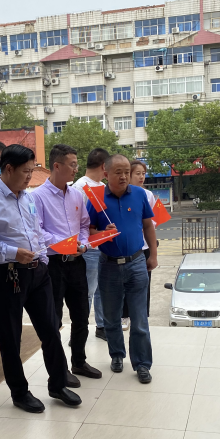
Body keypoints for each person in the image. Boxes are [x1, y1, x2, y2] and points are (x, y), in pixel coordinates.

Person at [0, 144, 81, 413]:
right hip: (8, 274)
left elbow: (36, 232)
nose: (30, 177)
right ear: (8, 169)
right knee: (11, 337)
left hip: (38, 272)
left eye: (32, 171)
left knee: (51, 330)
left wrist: (43, 259)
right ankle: (19, 392)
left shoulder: (27, 197)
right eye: (26, 171)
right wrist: (13, 253)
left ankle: (57, 384)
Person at [32, 144, 102, 386]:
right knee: (54, 320)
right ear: (57, 166)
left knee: (81, 315)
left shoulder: (76, 195)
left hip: (77, 262)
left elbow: (83, 225)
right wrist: (63, 243)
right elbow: (37, 231)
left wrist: (81, 243)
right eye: (72, 165)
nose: (76, 169)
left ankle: (79, 361)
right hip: (53, 264)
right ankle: (60, 370)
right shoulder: (37, 197)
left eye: (76, 164)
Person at [87, 154, 158, 384]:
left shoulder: (139, 194)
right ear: (106, 173)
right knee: (111, 317)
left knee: (139, 319)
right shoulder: (96, 198)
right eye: (118, 172)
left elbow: (148, 225)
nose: (124, 176)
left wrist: (153, 255)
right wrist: (102, 233)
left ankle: (142, 364)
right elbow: (88, 232)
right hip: (108, 265)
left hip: (137, 263)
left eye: (127, 171)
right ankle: (117, 354)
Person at [72, 147, 109, 340]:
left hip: (102, 246)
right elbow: (77, 222)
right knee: (86, 291)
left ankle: (101, 326)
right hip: (88, 249)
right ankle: (79, 331)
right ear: (104, 166)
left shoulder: (102, 187)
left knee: (102, 290)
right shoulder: (80, 188)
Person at [121, 160, 157, 323]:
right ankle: (124, 315)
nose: (141, 177)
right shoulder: (121, 194)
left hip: (144, 246)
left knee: (143, 283)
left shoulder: (147, 195)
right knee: (125, 283)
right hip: (127, 247)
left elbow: (152, 221)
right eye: (138, 173)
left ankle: (142, 316)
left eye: (143, 174)